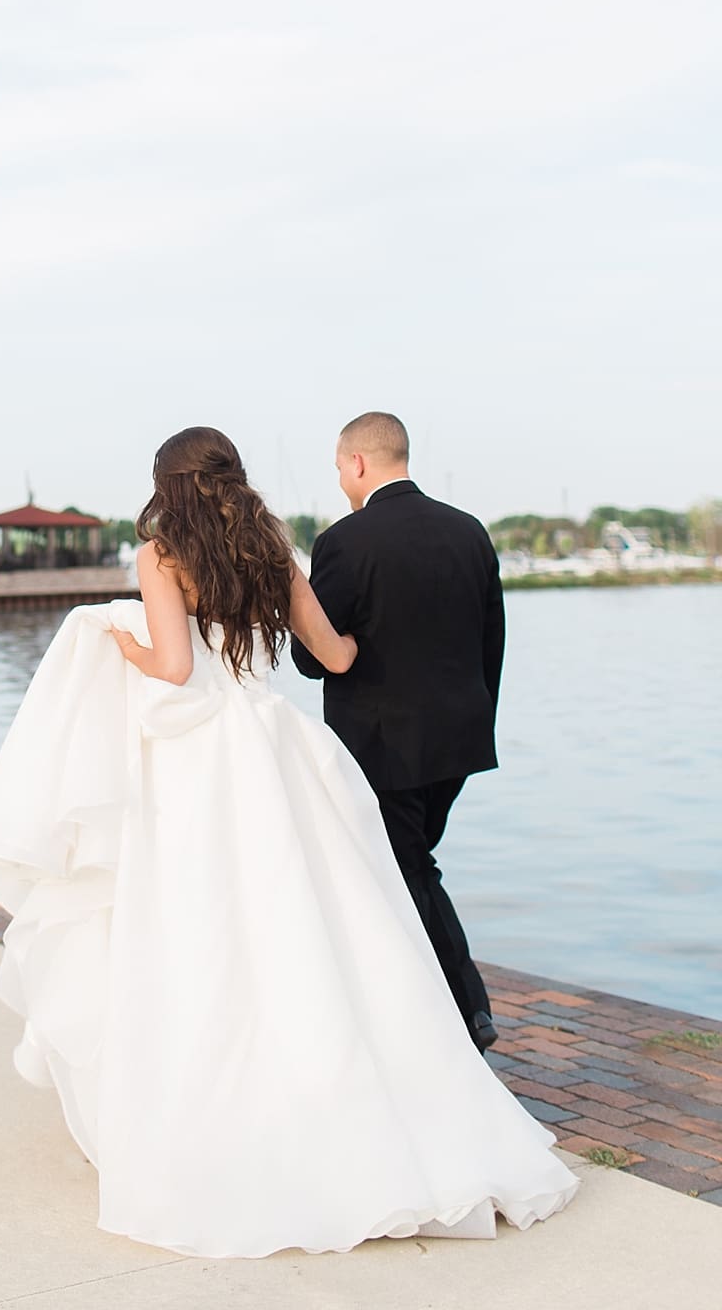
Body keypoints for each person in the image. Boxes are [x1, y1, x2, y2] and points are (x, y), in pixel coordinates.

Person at [0, 426, 575, 1258]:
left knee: (208, 930)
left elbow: (172, 668)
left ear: (166, 485)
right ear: (234, 478)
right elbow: (338, 653)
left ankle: (229, 1111)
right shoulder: (271, 549)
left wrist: (119, 640)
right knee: (318, 919)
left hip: (199, 764)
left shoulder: (161, 556)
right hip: (277, 747)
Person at [291, 411, 503, 1051]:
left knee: (406, 870)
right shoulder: (469, 531)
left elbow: (311, 656)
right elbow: (492, 638)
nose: (339, 480)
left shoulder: (345, 542)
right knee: (411, 865)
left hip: (384, 747)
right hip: (461, 738)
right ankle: (420, 1014)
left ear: (357, 462)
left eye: (337, 467)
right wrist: (478, 714)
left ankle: (468, 1012)